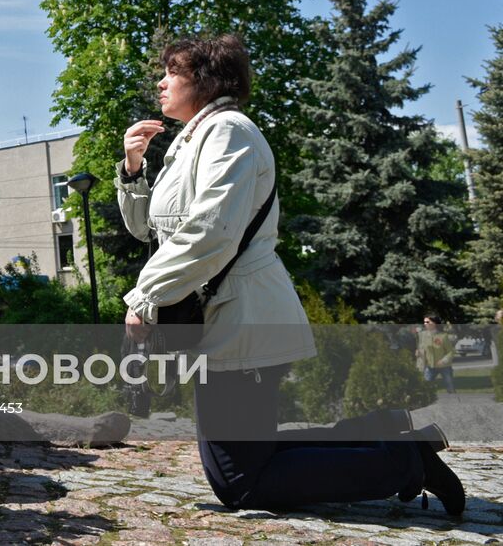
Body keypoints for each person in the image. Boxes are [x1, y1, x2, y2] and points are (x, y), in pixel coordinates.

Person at [116, 34, 465, 516]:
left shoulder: (229, 132)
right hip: (221, 319)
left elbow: (211, 232)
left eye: (171, 72)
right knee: (248, 459)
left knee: (241, 482)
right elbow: (150, 233)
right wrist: (133, 170)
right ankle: (390, 437)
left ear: (205, 79)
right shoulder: (190, 140)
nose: (161, 82)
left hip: (245, 319)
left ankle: (406, 463)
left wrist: (146, 299)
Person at [417, 315, 457, 394]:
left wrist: (443, 361)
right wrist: (419, 353)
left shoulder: (443, 336)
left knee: (450, 386)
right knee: (426, 386)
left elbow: (451, 352)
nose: (425, 324)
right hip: (430, 366)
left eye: (427, 322)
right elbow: (422, 349)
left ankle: (455, 401)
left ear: (434, 323)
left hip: (444, 366)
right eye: (424, 322)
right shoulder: (422, 336)